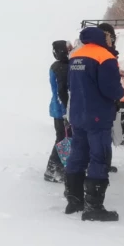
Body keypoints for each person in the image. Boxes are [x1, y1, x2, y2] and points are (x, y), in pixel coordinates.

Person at [64, 26, 124, 221]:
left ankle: (74, 201)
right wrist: (120, 90)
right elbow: (111, 90)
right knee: (99, 157)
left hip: (77, 114)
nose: (110, 41)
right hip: (98, 116)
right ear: (102, 38)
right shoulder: (105, 57)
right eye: (109, 38)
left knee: (77, 155)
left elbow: (71, 84)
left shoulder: (76, 56)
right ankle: (94, 207)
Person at [97, 22, 123, 173]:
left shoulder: (110, 54)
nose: (111, 40)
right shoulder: (100, 55)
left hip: (106, 105)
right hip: (95, 106)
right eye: (108, 37)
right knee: (67, 138)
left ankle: (105, 163)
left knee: (106, 136)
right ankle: (57, 167)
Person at [44, 40, 72, 183]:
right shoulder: (62, 67)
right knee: (63, 139)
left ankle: (58, 170)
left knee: (63, 138)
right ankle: (52, 170)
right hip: (62, 109)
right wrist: (67, 110)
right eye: (68, 49)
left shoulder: (57, 65)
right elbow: (62, 90)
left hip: (57, 108)